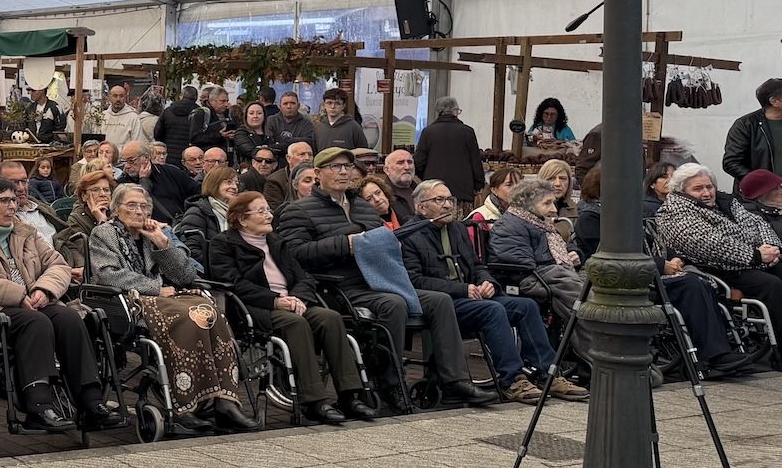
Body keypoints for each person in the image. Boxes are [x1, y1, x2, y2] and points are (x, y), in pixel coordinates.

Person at [275, 148, 489, 409]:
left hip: (381, 280)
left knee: (440, 300)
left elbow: (382, 242)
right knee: (393, 304)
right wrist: (345, 244)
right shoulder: (298, 210)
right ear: (318, 174)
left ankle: (453, 381)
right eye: (335, 167)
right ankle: (390, 382)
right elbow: (295, 255)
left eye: (347, 166)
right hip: (338, 286)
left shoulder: (362, 206)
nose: (343, 171)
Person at [0, 175, 113, 430]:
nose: (12, 206)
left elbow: (57, 264)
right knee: (36, 323)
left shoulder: (23, 229)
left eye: (14, 200)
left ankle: (91, 399)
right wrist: (17, 294)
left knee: (69, 319)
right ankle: (38, 404)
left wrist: (44, 290)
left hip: (33, 299)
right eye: (3, 201)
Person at [399, 181, 580, 405]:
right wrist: (463, 288)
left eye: (450, 200)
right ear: (421, 207)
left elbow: (477, 266)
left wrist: (487, 282)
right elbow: (414, 279)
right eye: (439, 200)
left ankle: (547, 374)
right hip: (443, 302)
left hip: (472, 296)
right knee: (492, 310)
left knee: (526, 306)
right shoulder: (410, 234)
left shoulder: (457, 228)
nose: (447, 206)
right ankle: (511, 379)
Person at [90, 183, 250, 430]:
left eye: (144, 206)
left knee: (211, 313)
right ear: (116, 209)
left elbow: (185, 275)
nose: (138, 211)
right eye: (131, 205)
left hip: (166, 299)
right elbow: (108, 274)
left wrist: (163, 244)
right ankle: (184, 405)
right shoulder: (104, 233)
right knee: (188, 317)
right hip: (128, 302)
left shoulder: (152, 232)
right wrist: (154, 288)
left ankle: (223, 400)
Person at [209, 193, 368, 425]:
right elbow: (234, 283)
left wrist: (297, 297)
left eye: (268, 209)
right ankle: (314, 401)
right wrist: (275, 300)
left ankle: (349, 396)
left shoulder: (276, 241)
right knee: (296, 323)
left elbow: (304, 277)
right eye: (261, 211)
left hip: (291, 302)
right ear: (242, 219)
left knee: (330, 318)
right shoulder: (223, 244)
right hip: (254, 309)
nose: (269, 215)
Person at [651, 165, 782, 361]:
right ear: (681, 191)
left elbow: (757, 223)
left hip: (749, 259)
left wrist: (771, 247)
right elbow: (709, 244)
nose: (706, 192)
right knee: (772, 286)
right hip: (715, 266)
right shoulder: (676, 212)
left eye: (709, 186)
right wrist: (756, 255)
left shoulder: (725, 201)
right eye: (698, 189)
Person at [487, 178, 587, 326]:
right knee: (576, 293)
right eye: (547, 203)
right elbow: (519, 262)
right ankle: (591, 328)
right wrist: (557, 262)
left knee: (591, 277)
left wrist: (574, 253)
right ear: (527, 204)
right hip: (527, 278)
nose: (553, 208)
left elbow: (563, 246)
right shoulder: (508, 225)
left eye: (552, 202)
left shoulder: (539, 222)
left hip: (549, 273)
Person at [414, 99, 486, 206]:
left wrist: (427, 179)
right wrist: (478, 185)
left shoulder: (428, 132)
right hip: (462, 192)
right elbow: (475, 161)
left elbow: (419, 162)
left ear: (438, 111)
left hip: (434, 193)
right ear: (455, 111)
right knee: (461, 222)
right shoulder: (467, 132)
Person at [723, 77, 782, 192]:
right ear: (775, 102)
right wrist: (763, 184)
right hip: (757, 196)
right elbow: (731, 162)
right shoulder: (745, 125)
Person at [55, 165, 114, 271]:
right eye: (95, 190)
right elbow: (95, 254)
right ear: (84, 196)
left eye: (106, 190)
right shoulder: (76, 219)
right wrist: (102, 221)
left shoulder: (118, 213)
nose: (102, 194)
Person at [174, 164, 239, 258]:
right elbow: (192, 250)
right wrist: (222, 265)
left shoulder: (239, 211)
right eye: (229, 182)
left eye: (236, 183)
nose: (234, 187)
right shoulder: (196, 212)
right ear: (214, 184)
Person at [97, 83, 148, 149]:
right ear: (109, 97)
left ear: (125, 97)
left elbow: (137, 142)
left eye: (121, 96)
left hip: (123, 158)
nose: (118, 99)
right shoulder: (102, 116)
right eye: (115, 96)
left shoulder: (133, 117)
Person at [228, 103, 270, 169]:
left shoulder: (271, 132)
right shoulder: (240, 133)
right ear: (246, 116)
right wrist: (269, 149)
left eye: (259, 113)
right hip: (247, 170)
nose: (255, 116)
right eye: (251, 113)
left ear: (264, 116)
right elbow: (250, 150)